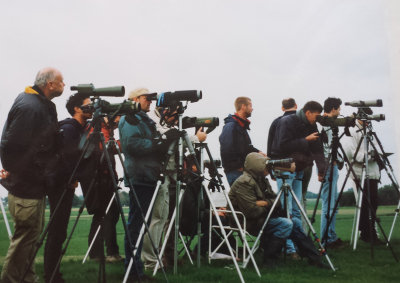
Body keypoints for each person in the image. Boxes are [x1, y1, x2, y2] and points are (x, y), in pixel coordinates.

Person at [0, 67, 64, 283]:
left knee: (30, 239)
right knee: (24, 240)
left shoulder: (37, 104)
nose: (64, 85)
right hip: (26, 187)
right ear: (50, 84)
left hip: (32, 185)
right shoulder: (31, 107)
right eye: (61, 82)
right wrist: (34, 173)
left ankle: (27, 278)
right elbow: (10, 146)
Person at [228, 153, 326, 268]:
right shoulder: (244, 182)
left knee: (295, 222)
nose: (268, 168)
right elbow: (252, 211)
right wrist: (270, 205)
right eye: (265, 165)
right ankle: (269, 261)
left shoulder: (261, 180)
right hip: (247, 222)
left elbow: (277, 202)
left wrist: (264, 203)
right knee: (286, 224)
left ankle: (314, 259)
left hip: (261, 218)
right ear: (255, 166)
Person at [141, 104, 207, 269]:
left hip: (173, 175)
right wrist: (195, 139)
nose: (175, 119)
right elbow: (165, 139)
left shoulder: (167, 124)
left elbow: (178, 142)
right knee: (160, 218)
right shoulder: (153, 121)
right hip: (163, 174)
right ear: (165, 111)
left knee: (170, 219)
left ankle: (168, 256)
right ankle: (155, 259)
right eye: (173, 115)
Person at [43, 93, 92, 282]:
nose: (91, 109)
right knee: (57, 230)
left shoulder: (80, 128)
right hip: (60, 185)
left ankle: (53, 273)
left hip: (66, 183)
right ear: (77, 109)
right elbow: (67, 158)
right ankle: (51, 275)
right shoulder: (70, 129)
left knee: (59, 230)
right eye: (87, 106)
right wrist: (73, 176)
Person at [119, 88, 165, 282]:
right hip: (140, 175)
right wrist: (157, 144)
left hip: (147, 174)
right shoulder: (130, 119)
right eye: (147, 98)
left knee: (139, 224)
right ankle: (132, 271)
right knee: (136, 224)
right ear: (135, 99)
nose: (151, 102)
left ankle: (135, 269)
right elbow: (131, 145)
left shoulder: (142, 119)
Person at [269, 101, 326, 256]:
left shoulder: (311, 124)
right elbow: (281, 146)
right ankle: (288, 248)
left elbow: (317, 148)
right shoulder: (287, 121)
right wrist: (305, 140)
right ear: (308, 112)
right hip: (285, 170)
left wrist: (322, 170)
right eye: (316, 115)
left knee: (296, 209)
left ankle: (300, 246)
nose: (317, 119)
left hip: (299, 170)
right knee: (286, 211)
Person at [343, 108, 381, 243]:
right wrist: (369, 156)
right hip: (359, 173)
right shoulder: (352, 130)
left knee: (374, 203)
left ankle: (370, 232)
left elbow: (376, 147)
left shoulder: (369, 130)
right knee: (365, 204)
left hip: (372, 172)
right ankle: (367, 233)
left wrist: (377, 154)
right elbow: (350, 153)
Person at [219, 97, 265, 186]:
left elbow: (245, 147)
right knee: (241, 199)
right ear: (243, 106)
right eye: (250, 106)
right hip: (236, 172)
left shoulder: (240, 126)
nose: (252, 109)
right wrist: (237, 166)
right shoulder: (231, 126)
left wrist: (258, 152)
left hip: (241, 171)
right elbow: (226, 149)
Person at [319, 97, 344, 248]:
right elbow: (326, 147)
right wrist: (333, 160)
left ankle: (331, 236)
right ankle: (326, 239)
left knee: (332, 203)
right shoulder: (326, 124)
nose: (340, 112)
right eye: (339, 109)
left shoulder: (325, 123)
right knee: (328, 203)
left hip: (330, 165)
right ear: (333, 109)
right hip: (328, 165)